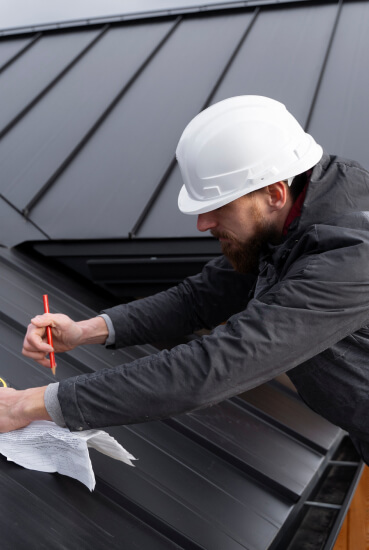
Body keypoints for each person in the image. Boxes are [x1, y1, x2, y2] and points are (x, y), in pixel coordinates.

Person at [1, 96, 369, 462]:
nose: (203, 223)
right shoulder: (294, 215)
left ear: (274, 193)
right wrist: (85, 331)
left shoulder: (349, 257)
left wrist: (26, 405)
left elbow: (215, 365)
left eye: (219, 206)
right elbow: (199, 299)